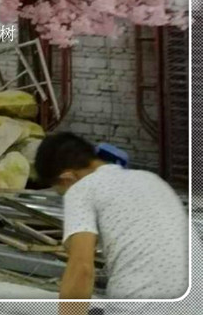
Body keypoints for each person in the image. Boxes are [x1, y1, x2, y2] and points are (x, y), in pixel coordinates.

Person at [34, 132, 196, 315]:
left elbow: (82, 269)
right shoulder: (151, 179)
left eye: (60, 191)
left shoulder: (82, 189)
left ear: (67, 178)